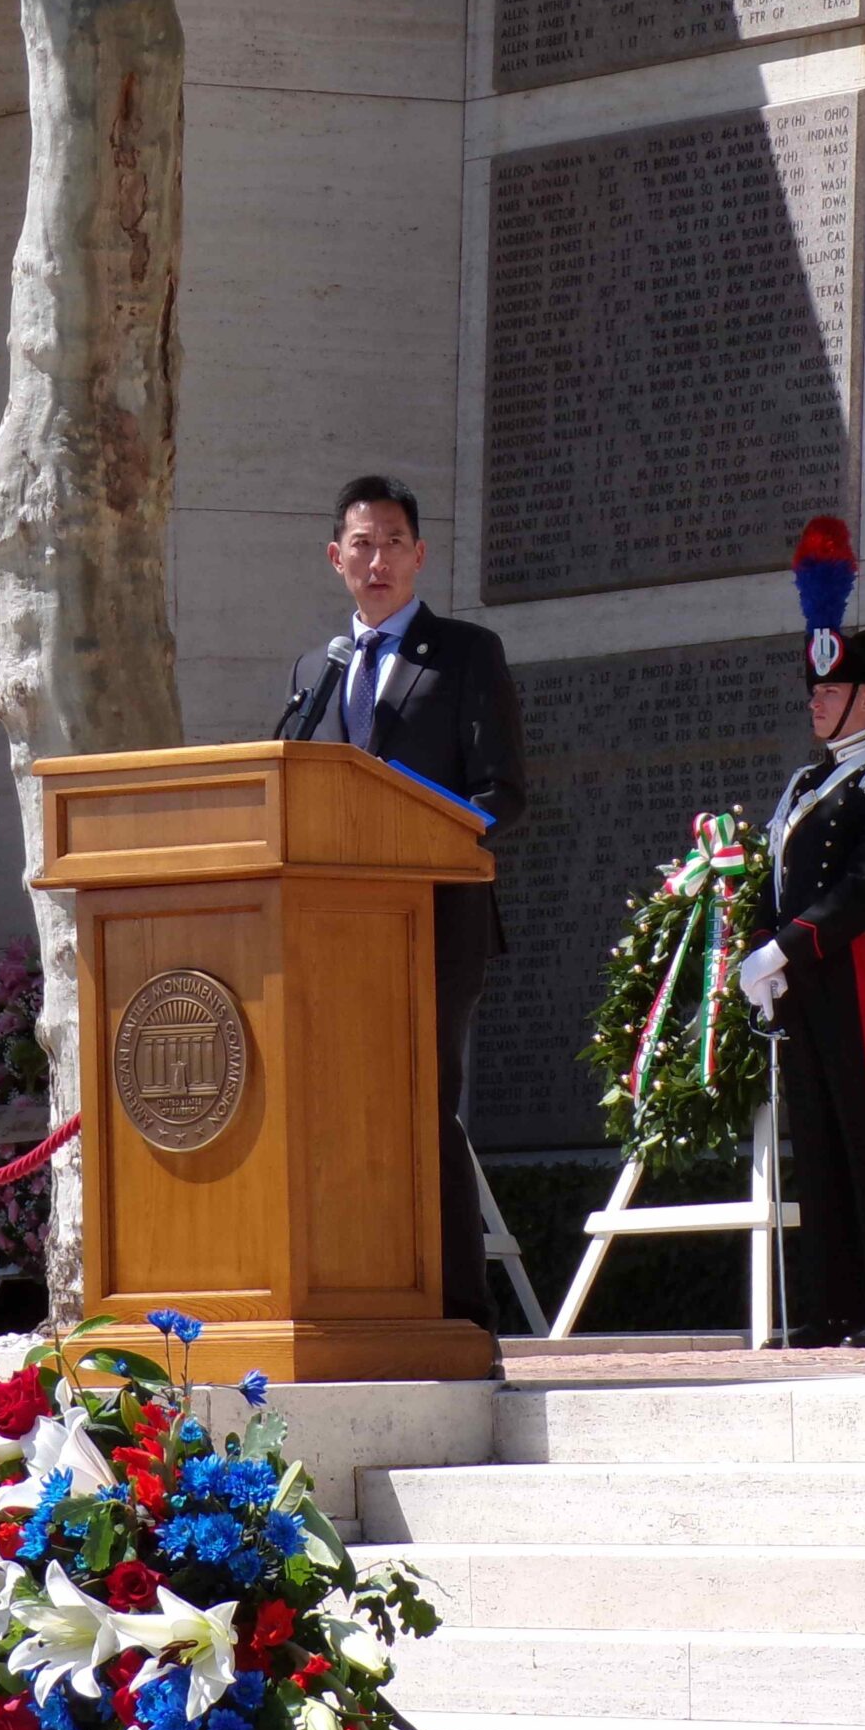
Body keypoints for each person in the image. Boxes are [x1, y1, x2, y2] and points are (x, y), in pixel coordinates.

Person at [273, 474, 527, 1333]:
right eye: (360, 543)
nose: (376, 559)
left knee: (421, 1105)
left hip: (433, 921)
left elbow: (503, 793)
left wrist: (428, 835)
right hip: (329, 935)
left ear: (419, 555)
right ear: (334, 557)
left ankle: (460, 1312)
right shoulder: (319, 667)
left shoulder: (464, 653)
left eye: (392, 542)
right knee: (336, 1112)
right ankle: (359, 1297)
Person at [739, 518, 865, 1349]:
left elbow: (861, 891)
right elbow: (772, 876)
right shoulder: (805, 781)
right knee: (814, 1133)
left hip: (847, 966)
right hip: (801, 975)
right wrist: (760, 944)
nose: (814, 702)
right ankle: (832, 1305)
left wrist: (789, 946)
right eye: (813, 691)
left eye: (829, 691)